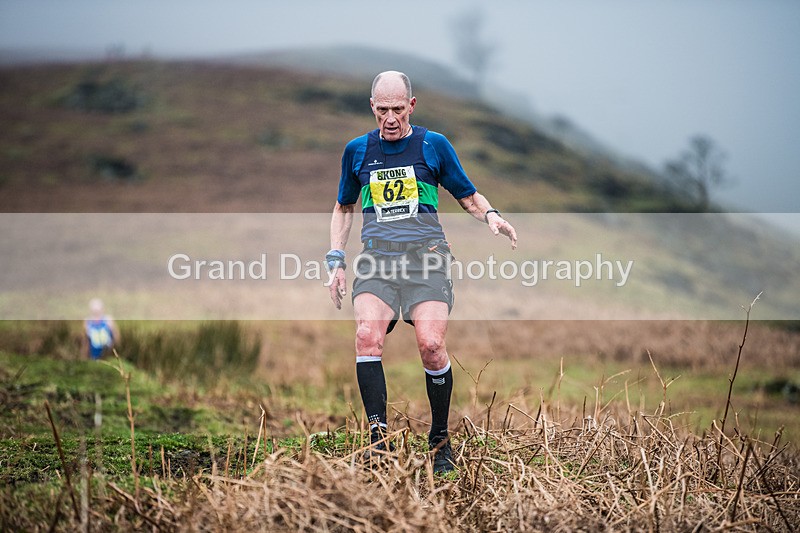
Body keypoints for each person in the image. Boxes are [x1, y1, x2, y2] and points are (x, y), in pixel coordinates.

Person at [327, 71, 517, 473]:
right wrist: (336, 258)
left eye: (397, 109)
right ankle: (378, 444)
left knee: (431, 345)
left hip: (427, 259)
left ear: (411, 106)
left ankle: (440, 441)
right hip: (378, 260)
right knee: (366, 337)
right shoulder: (357, 150)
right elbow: (344, 207)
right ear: (372, 107)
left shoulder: (434, 145)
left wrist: (492, 216)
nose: (390, 119)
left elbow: (468, 196)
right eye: (382, 110)